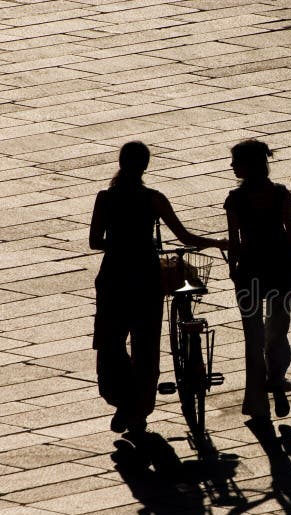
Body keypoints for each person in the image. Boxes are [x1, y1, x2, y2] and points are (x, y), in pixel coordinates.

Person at [90, 141, 227, 435]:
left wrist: (119, 243)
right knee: (146, 347)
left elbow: (95, 241)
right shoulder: (154, 199)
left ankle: (123, 399)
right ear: (145, 166)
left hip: (114, 277)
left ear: (120, 162)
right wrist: (216, 242)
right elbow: (184, 234)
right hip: (145, 278)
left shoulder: (105, 198)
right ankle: (138, 408)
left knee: (111, 344)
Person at [224, 139, 291, 427]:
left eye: (236, 161)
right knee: (278, 329)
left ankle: (258, 404)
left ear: (248, 165)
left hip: (251, 272)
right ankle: (277, 380)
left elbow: (235, 241)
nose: (232, 166)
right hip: (281, 269)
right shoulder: (281, 194)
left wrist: (233, 270)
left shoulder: (235, 199)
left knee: (253, 337)